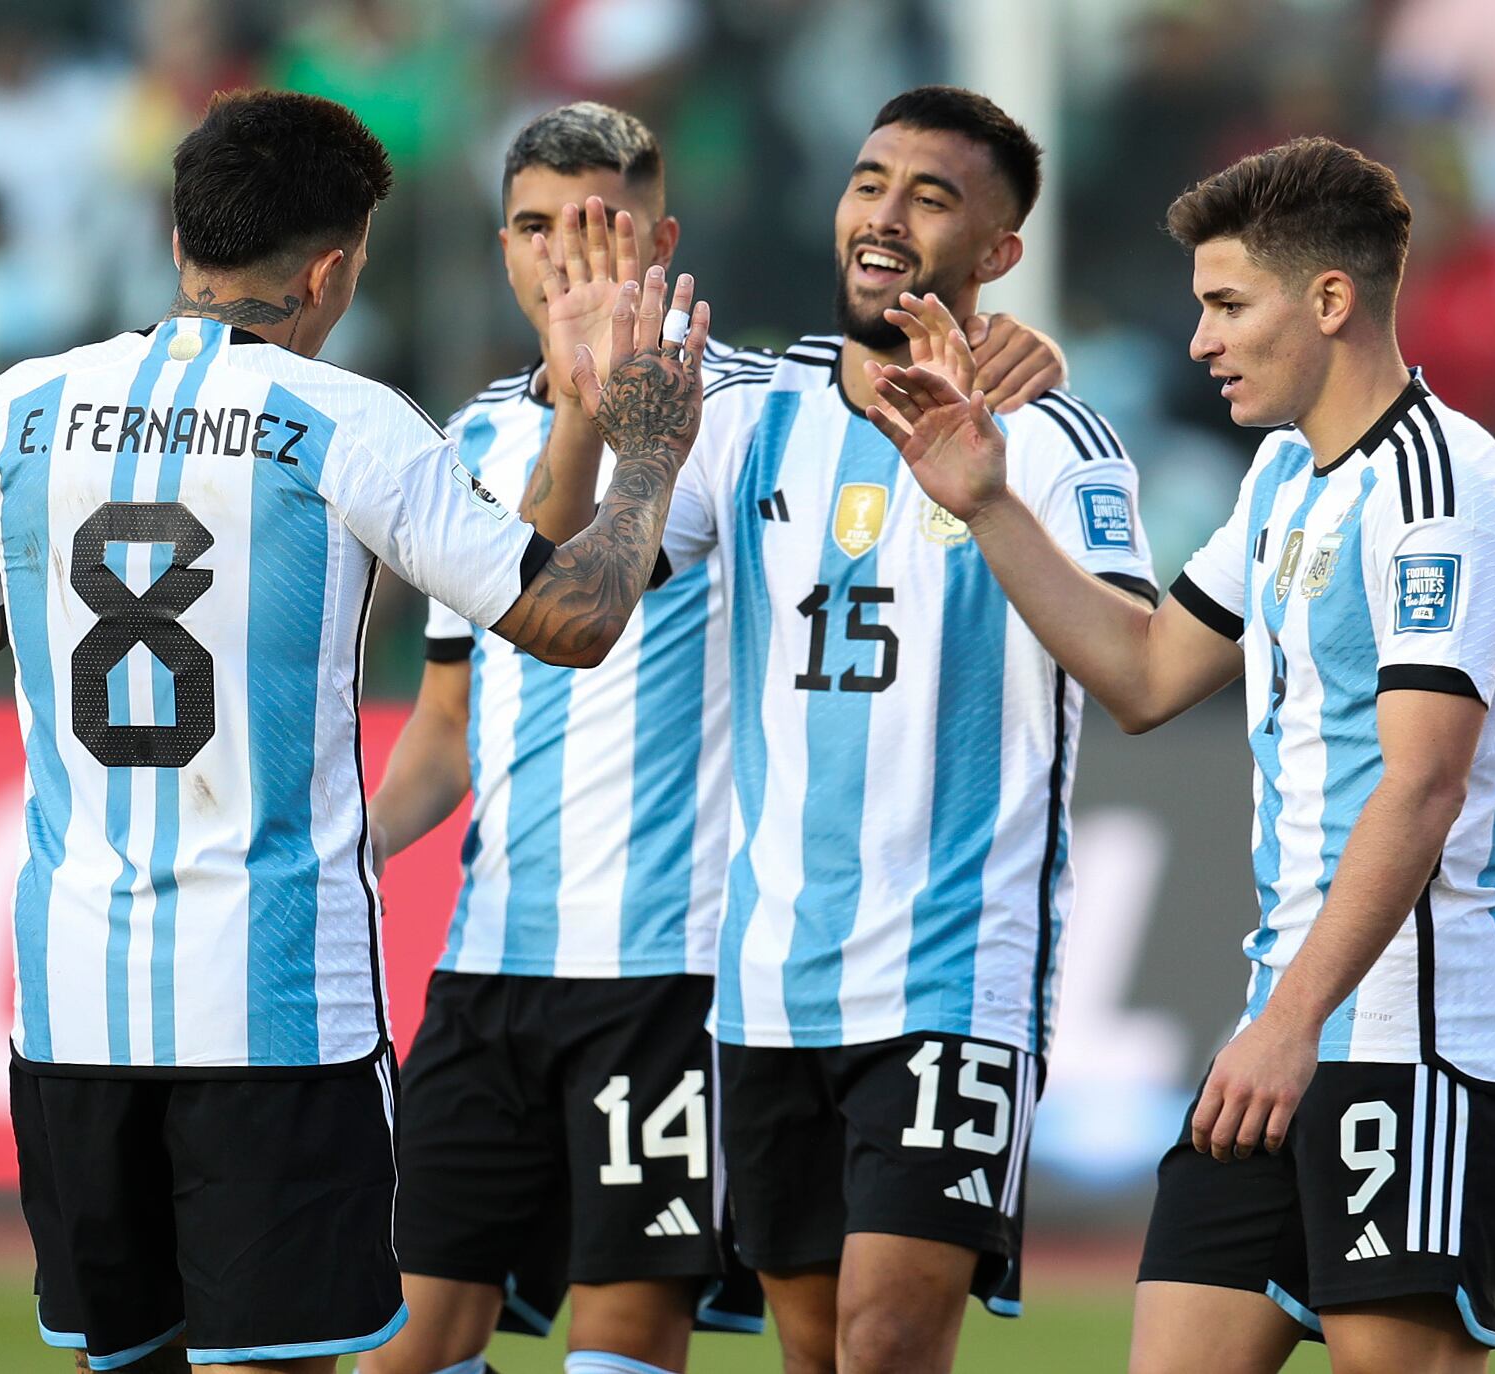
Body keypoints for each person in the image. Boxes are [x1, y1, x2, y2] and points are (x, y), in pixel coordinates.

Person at [0, 88, 712, 1374]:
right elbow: (571, 620)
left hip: (70, 1009)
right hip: (270, 1008)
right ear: (331, 267)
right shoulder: (349, 422)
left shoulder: (23, 407)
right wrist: (647, 456)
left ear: (181, 244)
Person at [362, 102, 1066, 1374]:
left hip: (676, 960)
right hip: (492, 954)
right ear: (499, 245)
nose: (567, 264)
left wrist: (1012, 355)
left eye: (601, 233)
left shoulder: (728, 407)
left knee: (635, 1334)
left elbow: (869, 386)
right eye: (536, 230)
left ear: (661, 241)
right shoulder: (471, 431)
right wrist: (344, 852)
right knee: (407, 1342)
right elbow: (481, 682)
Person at [867, 136, 1495, 1373]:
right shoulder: (1286, 477)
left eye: (1227, 305)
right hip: (1286, 1024)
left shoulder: (1445, 494)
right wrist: (987, 505)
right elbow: (1141, 673)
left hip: (1413, 1036)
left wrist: (1291, 1023)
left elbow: (1424, 784)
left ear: (1329, 302)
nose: (1200, 341)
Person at [524, 85, 1154, 1374]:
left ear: (997, 256)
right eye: (869, 182)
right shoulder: (748, 412)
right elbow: (572, 602)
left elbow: (1133, 664)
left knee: (885, 1339)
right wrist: (592, 411)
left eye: (931, 198)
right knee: (811, 1350)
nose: (884, 215)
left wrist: (990, 497)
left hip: (950, 972)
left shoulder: (1050, 437)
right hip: (768, 983)